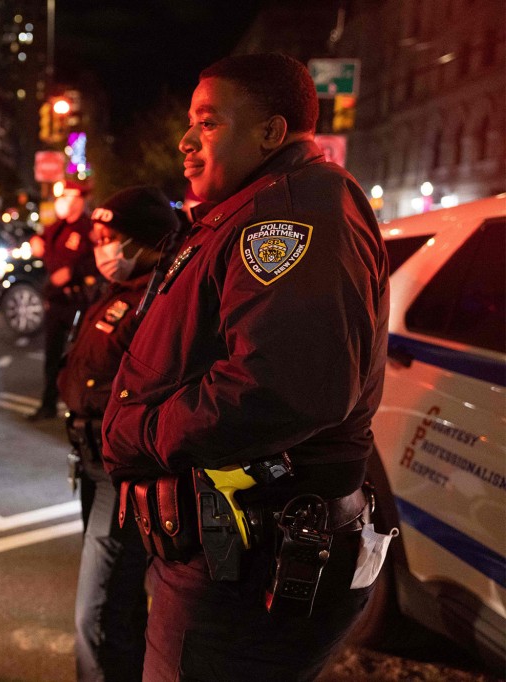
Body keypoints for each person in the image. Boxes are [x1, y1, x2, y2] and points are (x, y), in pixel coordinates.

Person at [100, 53, 389, 680]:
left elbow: (281, 386)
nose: (185, 141)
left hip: (252, 566)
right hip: (233, 553)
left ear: (270, 132)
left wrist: (139, 432)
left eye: (208, 124)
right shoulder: (253, 205)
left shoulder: (285, 215)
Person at [60, 186, 186, 682]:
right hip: (92, 462)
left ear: (140, 239)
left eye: (109, 236)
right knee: (118, 606)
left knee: (98, 613)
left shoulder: (160, 298)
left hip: (121, 471)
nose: (100, 245)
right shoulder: (121, 290)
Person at [28, 180, 98, 421]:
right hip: (56, 302)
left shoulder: (89, 227)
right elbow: (41, 244)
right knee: (52, 357)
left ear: (80, 200)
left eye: (69, 195)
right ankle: (48, 405)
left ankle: (81, 408)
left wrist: (73, 272)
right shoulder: (57, 228)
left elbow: (97, 261)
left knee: (80, 358)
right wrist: (35, 242)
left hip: (79, 300)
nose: (64, 200)